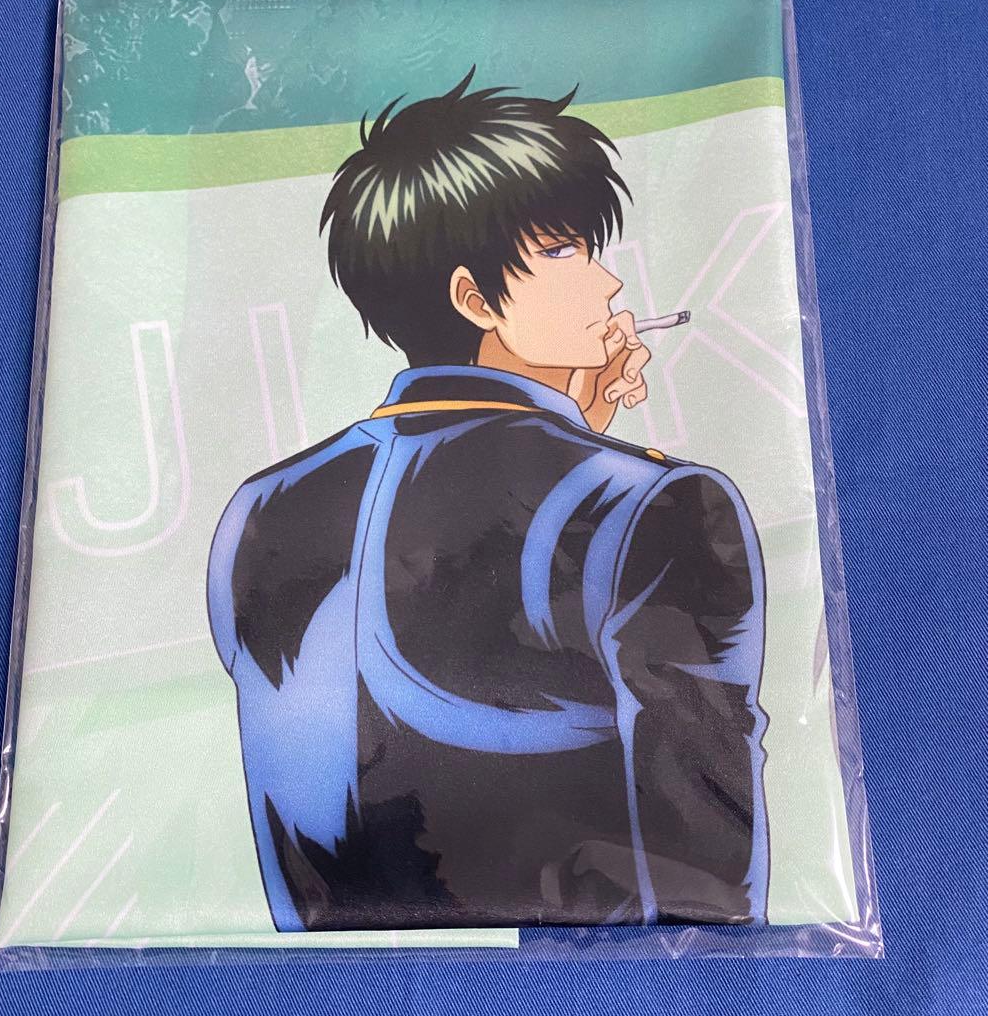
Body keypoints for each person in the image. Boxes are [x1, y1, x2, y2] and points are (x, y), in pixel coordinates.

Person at [207, 70, 769, 932]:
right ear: (474, 297)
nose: (610, 286)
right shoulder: (666, 509)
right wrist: (594, 461)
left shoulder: (258, 508)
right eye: (567, 252)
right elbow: (708, 883)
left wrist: (571, 434)